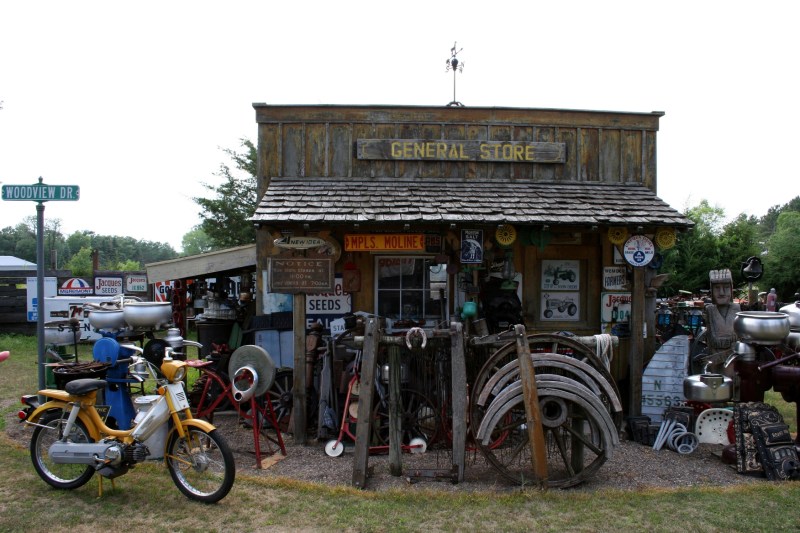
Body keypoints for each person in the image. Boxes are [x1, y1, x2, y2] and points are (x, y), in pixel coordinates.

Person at [702, 269, 741, 376]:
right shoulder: (710, 310)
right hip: (715, 359)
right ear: (712, 290)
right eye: (717, 288)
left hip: (732, 358)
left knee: (732, 380)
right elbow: (712, 338)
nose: (722, 292)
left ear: (731, 290)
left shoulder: (736, 308)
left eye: (726, 288)